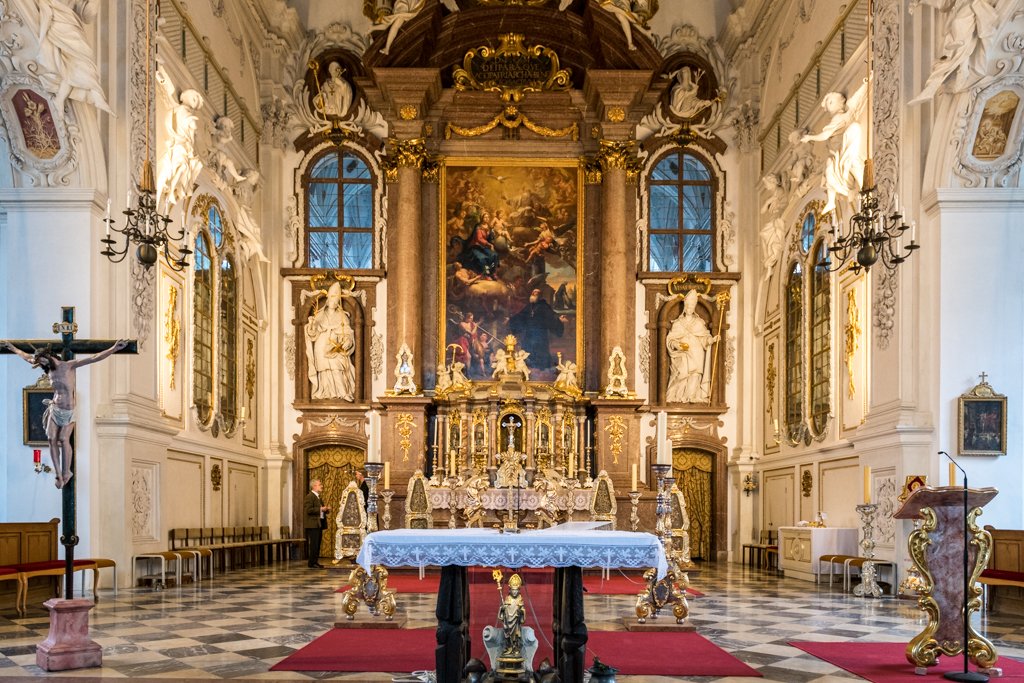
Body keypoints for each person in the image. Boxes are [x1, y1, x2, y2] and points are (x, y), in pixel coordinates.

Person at [3, 339, 128, 488]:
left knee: (63, 439)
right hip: (55, 408)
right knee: (51, 439)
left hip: (68, 410)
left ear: (49, 356)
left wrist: (114, 348)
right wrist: (12, 347)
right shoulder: (48, 369)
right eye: (40, 362)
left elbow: (94, 358)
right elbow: (27, 357)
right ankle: (58, 474)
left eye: (43, 360)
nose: (42, 364)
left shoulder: (68, 366)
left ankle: (66, 472)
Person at [9, 0, 112, 115]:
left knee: (78, 64)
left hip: (69, 21)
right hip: (57, 20)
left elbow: (87, 16)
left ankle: (67, 99)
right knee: (77, 64)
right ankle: (94, 96)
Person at [800, 84, 867, 216]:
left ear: (841, 102)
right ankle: (831, 201)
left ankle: (863, 189)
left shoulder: (842, 116)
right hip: (836, 152)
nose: (828, 105)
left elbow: (825, 135)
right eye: (827, 104)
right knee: (829, 167)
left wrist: (810, 137)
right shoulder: (836, 119)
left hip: (844, 147)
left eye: (830, 102)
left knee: (849, 164)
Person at [304, 281, 357, 401]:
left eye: (336, 299)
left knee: (337, 366)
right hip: (321, 346)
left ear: (338, 301)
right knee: (323, 370)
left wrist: (347, 341)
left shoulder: (342, 316)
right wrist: (311, 325)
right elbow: (313, 334)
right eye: (332, 297)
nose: (333, 301)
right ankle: (324, 392)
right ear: (327, 299)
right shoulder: (319, 315)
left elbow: (347, 332)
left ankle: (343, 393)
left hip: (335, 346)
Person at [665, 289, 719, 403]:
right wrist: (677, 345)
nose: (690, 308)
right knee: (682, 372)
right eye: (688, 306)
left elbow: (704, 337)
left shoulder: (699, 322)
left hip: (697, 353)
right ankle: (677, 396)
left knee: (695, 374)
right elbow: (670, 340)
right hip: (683, 354)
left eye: (692, 306)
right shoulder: (678, 323)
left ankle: (691, 397)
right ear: (685, 307)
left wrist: (711, 340)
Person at [156, 88, 204, 213]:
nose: (195, 101)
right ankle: (170, 190)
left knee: (187, 167)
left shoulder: (185, 113)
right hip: (179, 145)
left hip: (185, 147)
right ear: (184, 96)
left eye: (197, 101)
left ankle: (172, 191)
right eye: (194, 97)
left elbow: (192, 139)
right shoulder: (180, 111)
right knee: (181, 166)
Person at [508, 289, 568, 370]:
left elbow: (551, 316)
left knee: (540, 351)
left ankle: (541, 366)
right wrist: (511, 320)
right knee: (527, 351)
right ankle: (528, 366)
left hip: (540, 334)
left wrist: (559, 319)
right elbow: (521, 316)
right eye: (533, 293)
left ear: (539, 296)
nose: (534, 294)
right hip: (529, 334)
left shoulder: (544, 306)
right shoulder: (529, 306)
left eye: (536, 293)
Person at [303, 479, 329, 568]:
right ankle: (312, 563)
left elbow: (320, 509)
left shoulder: (318, 497)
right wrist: (321, 509)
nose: (322, 486)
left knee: (317, 544)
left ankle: (315, 561)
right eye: (320, 484)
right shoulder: (310, 496)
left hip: (318, 524)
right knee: (314, 544)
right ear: (314, 486)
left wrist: (325, 509)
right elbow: (308, 510)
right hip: (312, 524)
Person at [498, 573, 526, 657]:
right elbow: (503, 610)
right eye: (513, 590)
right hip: (508, 622)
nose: (514, 592)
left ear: (519, 590)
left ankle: (515, 648)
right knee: (507, 634)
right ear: (510, 590)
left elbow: (523, 611)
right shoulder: (507, 599)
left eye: (516, 590)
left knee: (516, 636)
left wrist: (521, 612)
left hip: (516, 622)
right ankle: (509, 648)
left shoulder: (520, 600)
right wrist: (502, 609)